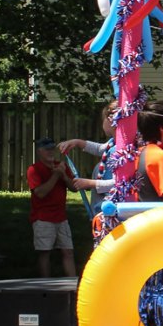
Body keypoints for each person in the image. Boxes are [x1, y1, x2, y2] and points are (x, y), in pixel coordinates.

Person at [27, 137, 77, 278]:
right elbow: (40, 193)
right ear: (39, 151)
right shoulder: (34, 169)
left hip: (61, 217)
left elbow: (74, 188)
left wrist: (64, 176)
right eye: (46, 149)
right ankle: (45, 286)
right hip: (42, 218)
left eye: (52, 149)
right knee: (45, 253)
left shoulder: (61, 166)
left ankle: (73, 285)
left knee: (68, 251)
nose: (50, 152)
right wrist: (56, 175)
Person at [59, 101, 118, 210]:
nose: (102, 124)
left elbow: (119, 184)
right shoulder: (114, 142)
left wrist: (89, 183)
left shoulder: (123, 150)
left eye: (102, 120)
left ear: (110, 120)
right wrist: (77, 142)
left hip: (112, 210)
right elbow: (100, 149)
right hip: (103, 207)